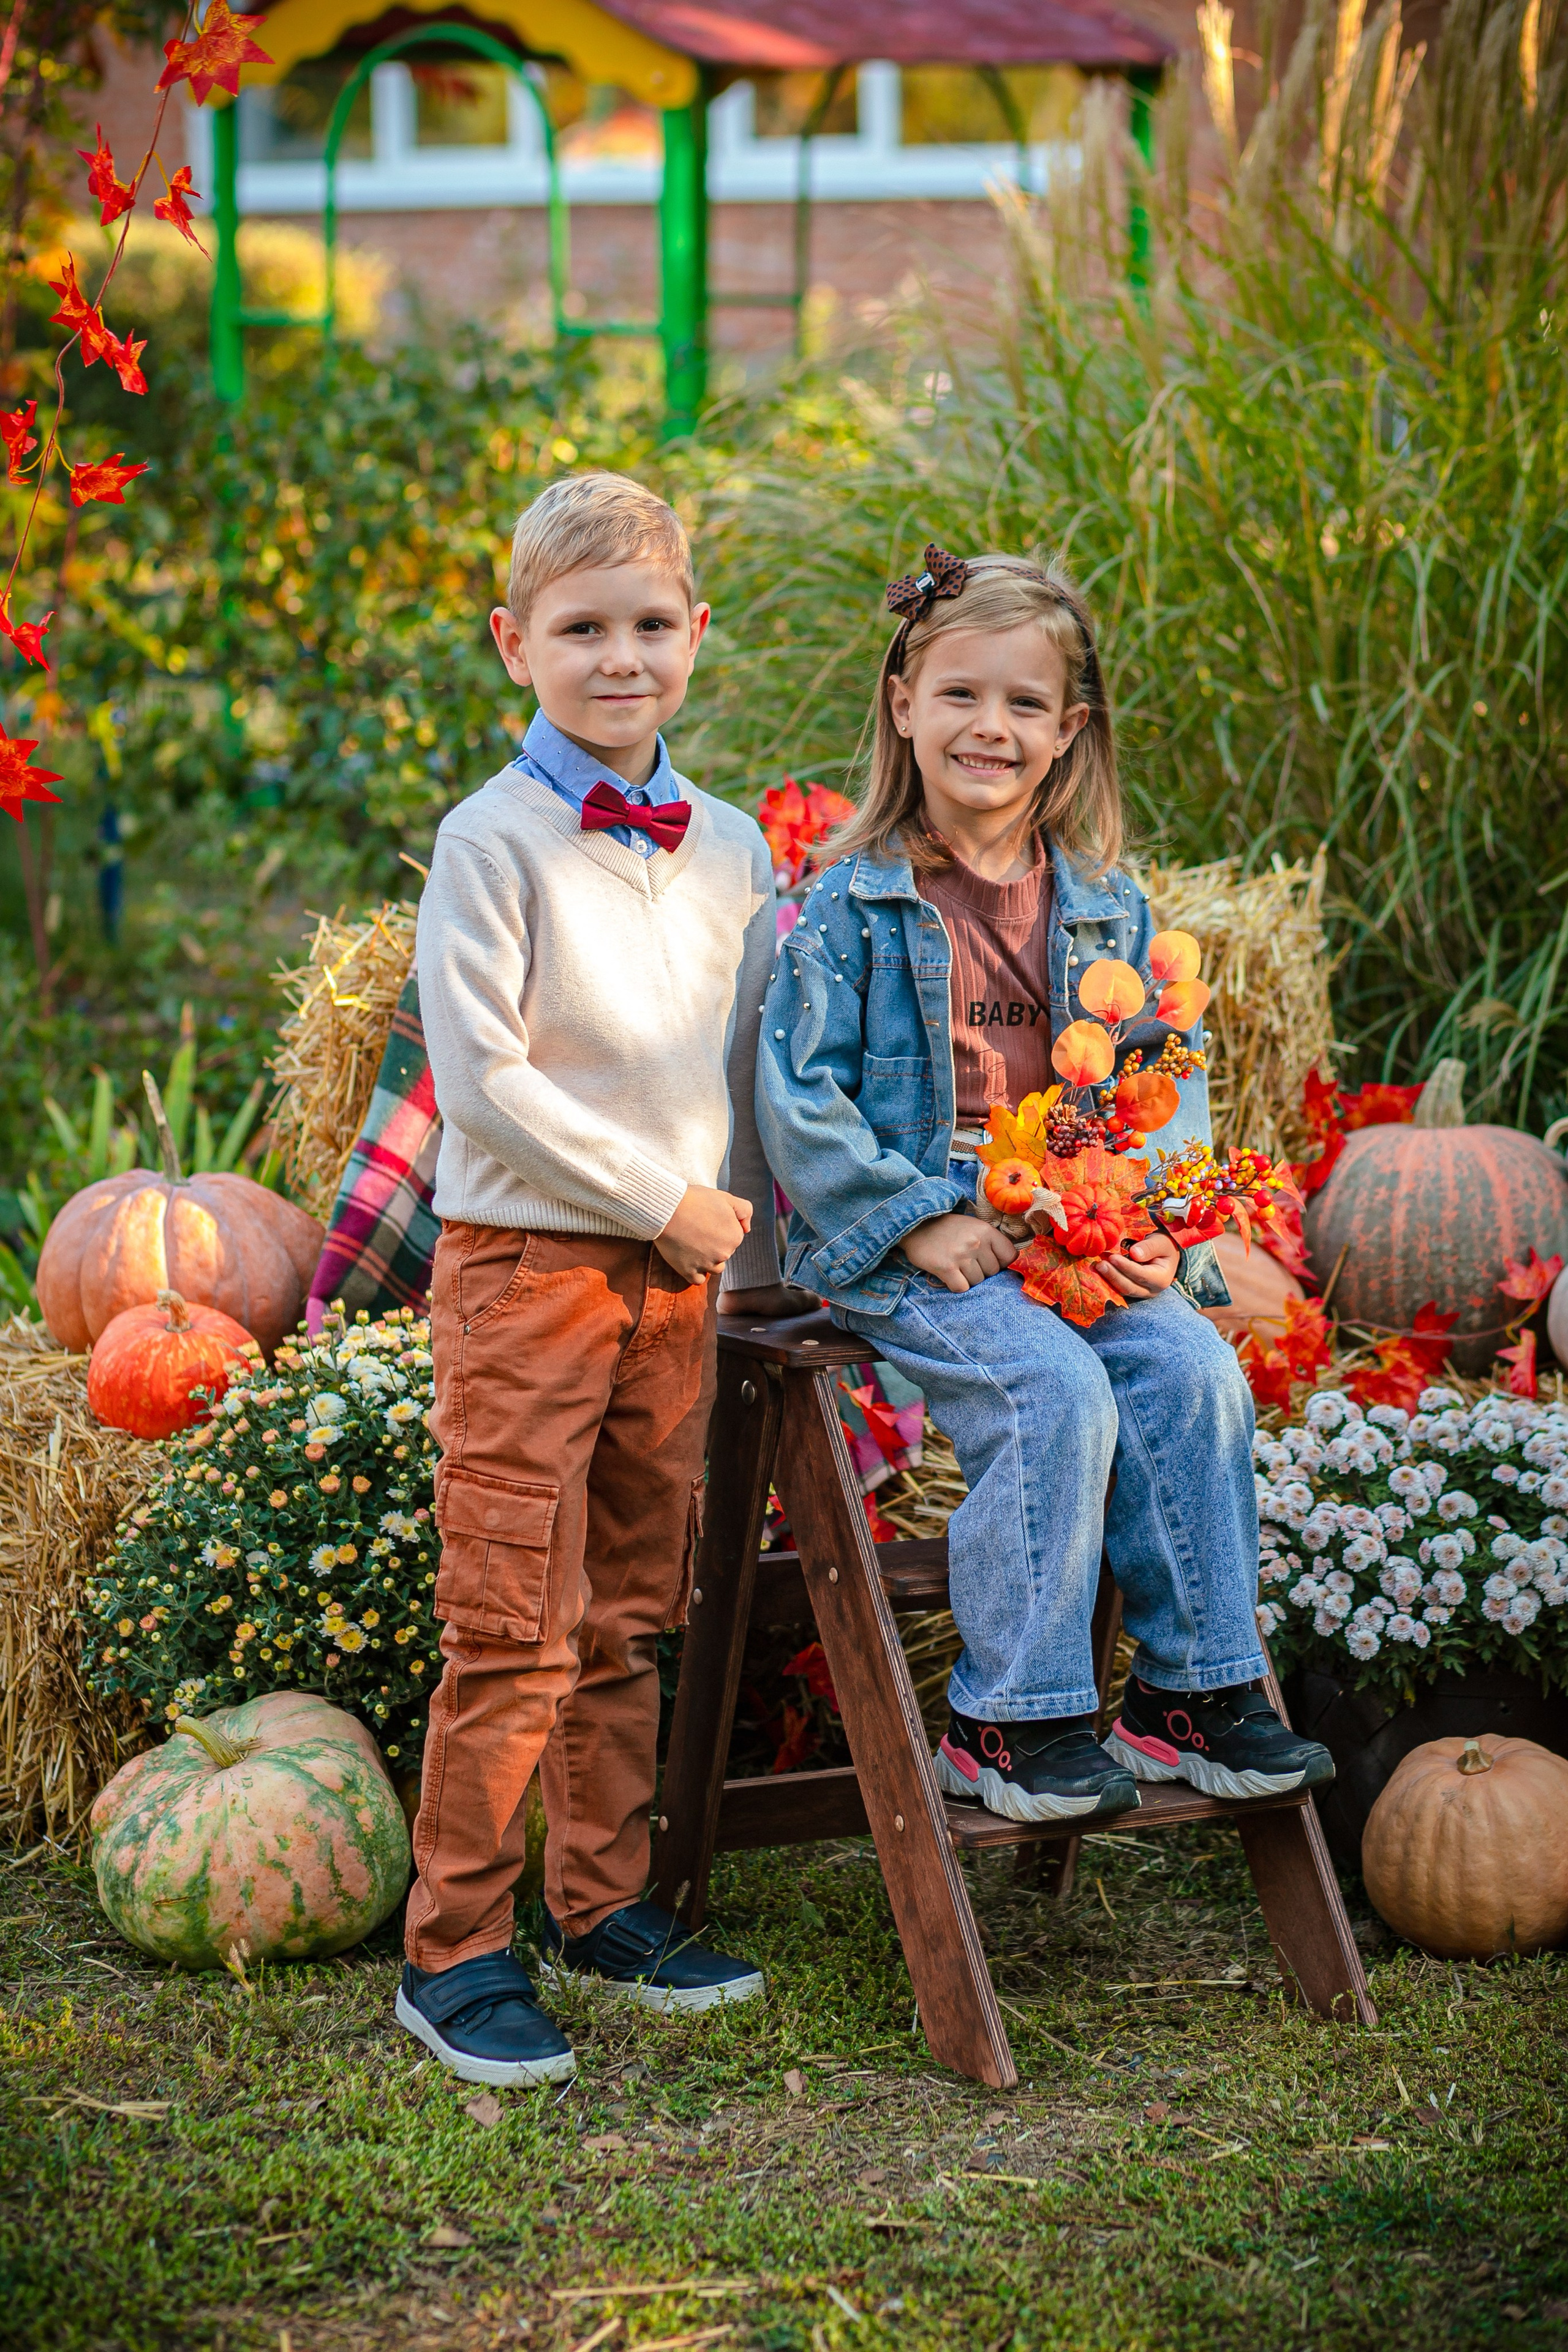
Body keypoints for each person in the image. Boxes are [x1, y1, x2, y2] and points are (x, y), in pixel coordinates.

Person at [756, 548, 1333, 1827]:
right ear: (902, 698)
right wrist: (921, 1223)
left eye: (1023, 706)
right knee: (1049, 1386)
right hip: (917, 1238)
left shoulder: (1107, 908)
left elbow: (1157, 1085)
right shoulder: (845, 909)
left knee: (1191, 1371)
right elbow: (800, 1100)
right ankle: (1005, 1721)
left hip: (1073, 1224)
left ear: (1068, 732)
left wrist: (1157, 1237)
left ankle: (1188, 1694)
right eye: (960, 695)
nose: (989, 728)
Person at [399, 472, 807, 2087]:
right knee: (516, 1615)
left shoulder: (725, 850)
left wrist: (754, 1254)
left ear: (695, 637)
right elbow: (485, 1082)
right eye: (582, 629)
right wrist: (663, 1201)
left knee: (636, 1600)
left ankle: (604, 1897)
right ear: (517, 645)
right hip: (530, 1273)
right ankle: (457, 1950)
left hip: (683, 1282)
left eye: (649, 624)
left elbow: (749, 1073)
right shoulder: (489, 841)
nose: (618, 656)